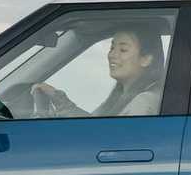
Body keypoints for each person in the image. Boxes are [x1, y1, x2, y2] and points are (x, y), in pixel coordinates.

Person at [31, 25, 164, 117]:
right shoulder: (122, 96)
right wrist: (58, 99)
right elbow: (93, 126)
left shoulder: (144, 102)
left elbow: (107, 139)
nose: (112, 55)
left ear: (146, 59)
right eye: (112, 48)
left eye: (123, 50)